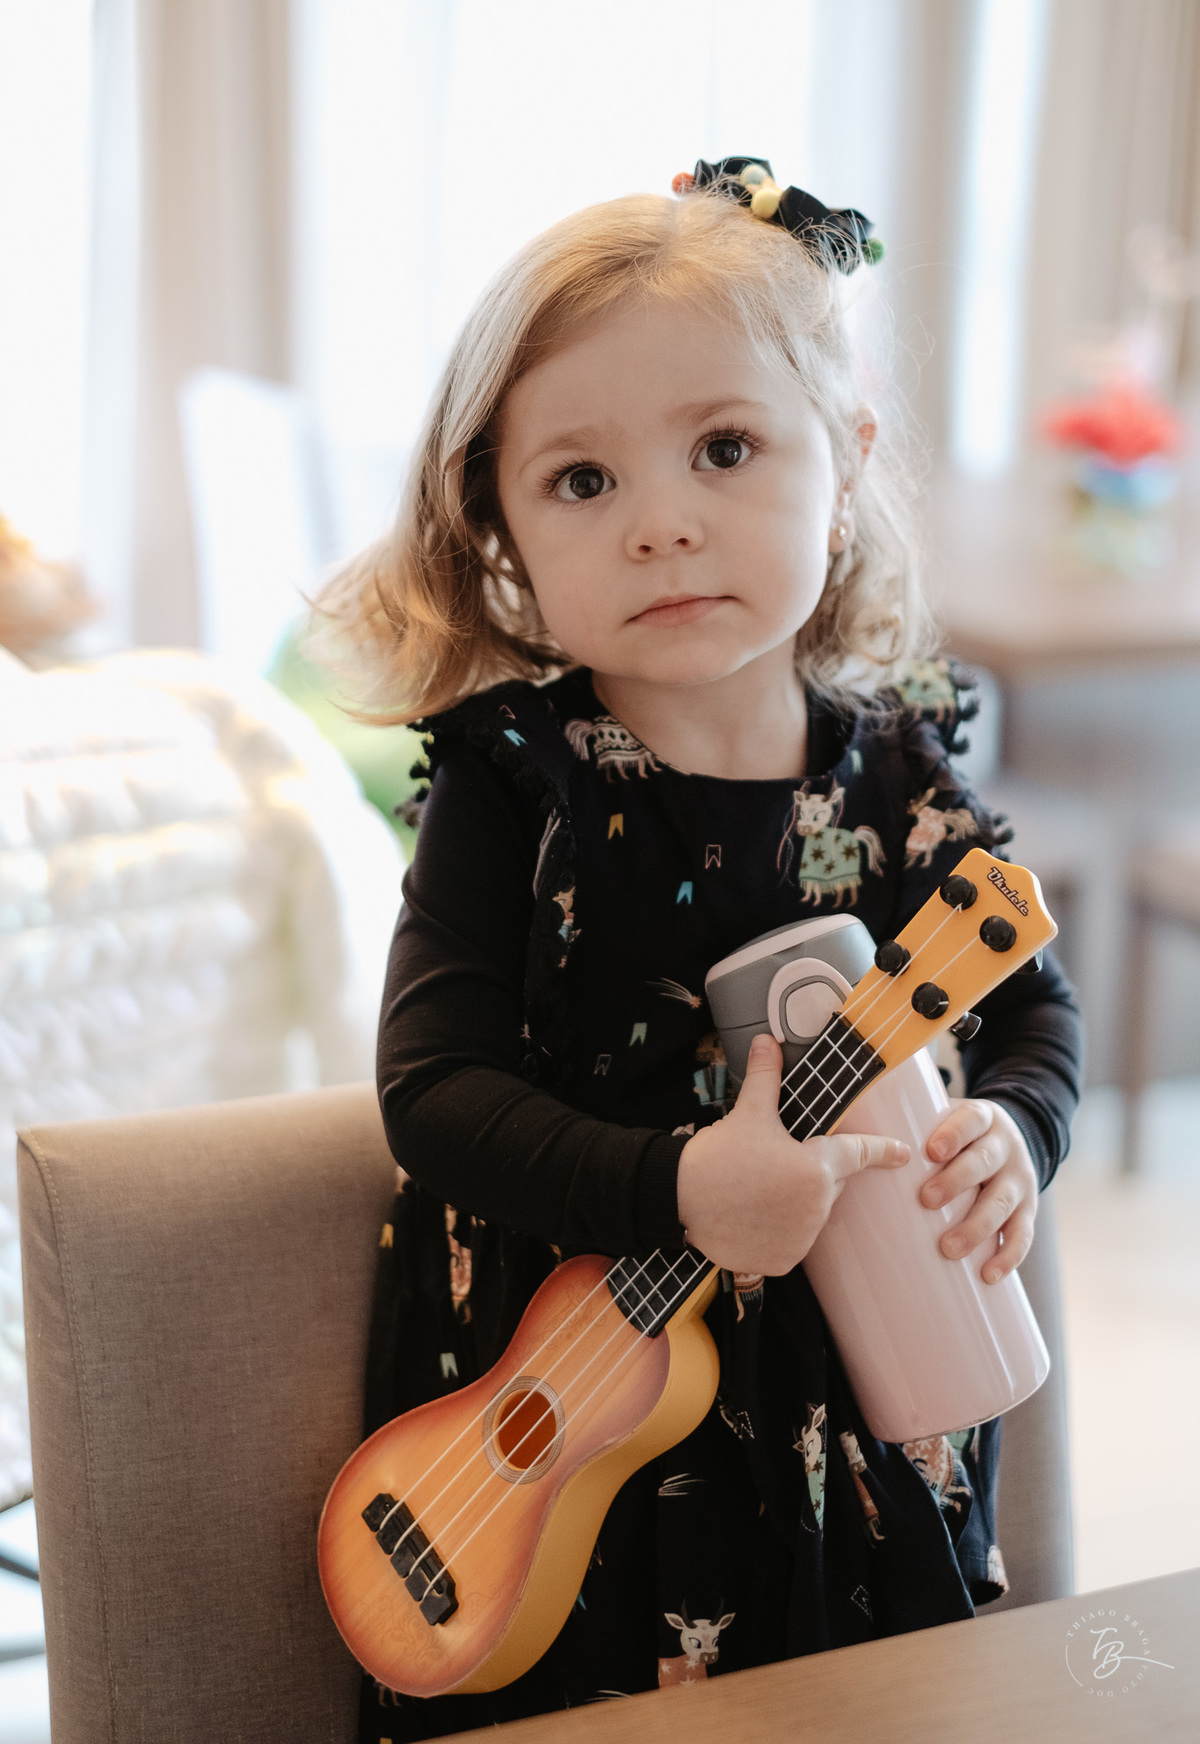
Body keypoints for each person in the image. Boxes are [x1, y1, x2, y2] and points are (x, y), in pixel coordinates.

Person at [323, 157, 1082, 1741]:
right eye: (582, 482)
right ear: (502, 530)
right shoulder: (509, 783)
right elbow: (434, 1092)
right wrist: (682, 1187)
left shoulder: (895, 772)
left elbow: (1033, 1016)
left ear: (848, 461)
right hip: (575, 1424)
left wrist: (1019, 1130)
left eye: (724, 449)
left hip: (858, 1408)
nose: (663, 524)